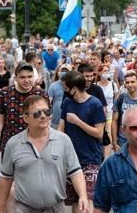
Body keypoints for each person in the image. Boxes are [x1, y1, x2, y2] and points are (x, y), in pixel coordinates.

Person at [0, 95, 88, 213]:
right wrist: (0, 207)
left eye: (47, 112)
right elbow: (6, 178)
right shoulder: (13, 143)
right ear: (25, 118)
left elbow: (75, 172)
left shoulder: (63, 140)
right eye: (37, 113)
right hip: (23, 209)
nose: (43, 116)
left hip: (55, 209)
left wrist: (83, 196)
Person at [58, 70, 106, 213]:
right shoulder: (67, 102)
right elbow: (61, 127)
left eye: (66, 88)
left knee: (86, 200)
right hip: (71, 159)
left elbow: (99, 133)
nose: (64, 91)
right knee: (74, 200)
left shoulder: (95, 104)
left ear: (73, 88)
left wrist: (78, 122)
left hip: (90, 159)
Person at [0, 62, 48, 157]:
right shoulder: (5, 93)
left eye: (30, 77)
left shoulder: (41, 94)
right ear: (15, 78)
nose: (27, 80)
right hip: (10, 144)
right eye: (22, 77)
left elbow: (46, 120)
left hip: (35, 144)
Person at [112, 70, 137, 152]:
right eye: (127, 82)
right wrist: (114, 142)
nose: (130, 85)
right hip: (123, 141)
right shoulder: (120, 99)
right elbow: (114, 121)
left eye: (132, 82)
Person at [48, 64, 71, 129]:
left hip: (69, 120)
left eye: (66, 71)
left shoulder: (73, 85)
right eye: (62, 70)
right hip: (55, 120)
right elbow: (48, 102)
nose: (64, 72)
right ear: (58, 72)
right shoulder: (53, 86)